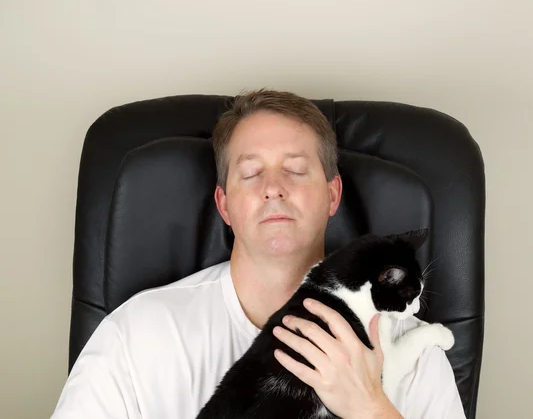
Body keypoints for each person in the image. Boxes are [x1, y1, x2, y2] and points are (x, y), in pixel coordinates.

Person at [51, 89, 466, 419]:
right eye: (251, 173)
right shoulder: (135, 335)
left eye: (296, 169)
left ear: (332, 195)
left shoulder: (416, 353)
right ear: (224, 204)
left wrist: (370, 408)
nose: (273, 187)